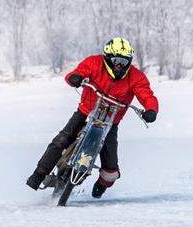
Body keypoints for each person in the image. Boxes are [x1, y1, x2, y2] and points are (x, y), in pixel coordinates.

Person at [26, 37, 159, 198]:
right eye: (116, 61)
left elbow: (147, 95)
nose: (119, 65)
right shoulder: (94, 63)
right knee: (61, 139)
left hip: (111, 123)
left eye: (125, 62)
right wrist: (75, 78)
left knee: (111, 171)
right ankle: (39, 174)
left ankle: (101, 187)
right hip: (85, 113)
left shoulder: (136, 76)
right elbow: (76, 73)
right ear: (108, 58)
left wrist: (151, 110)